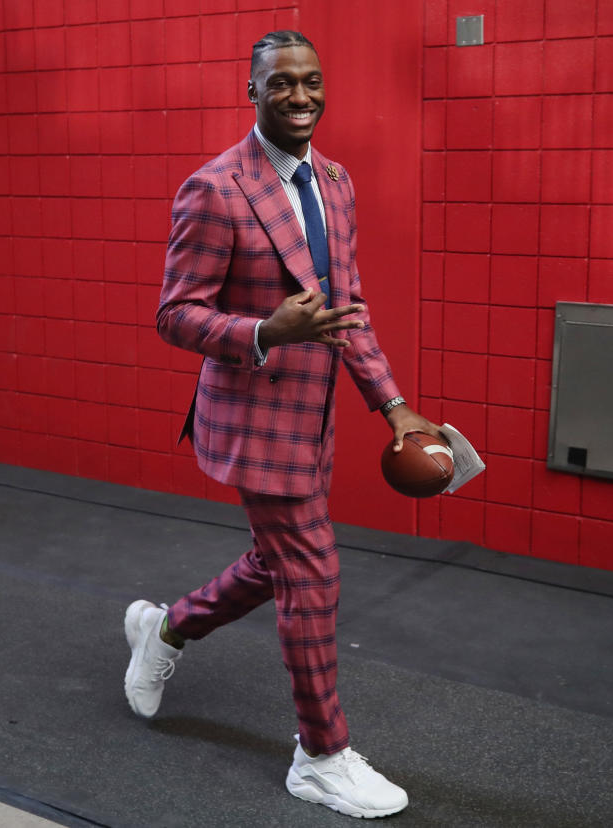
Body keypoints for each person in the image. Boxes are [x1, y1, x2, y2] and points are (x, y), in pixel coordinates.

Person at [124, 30, 438, 819]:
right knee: (314, 574)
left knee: (277, 564)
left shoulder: (335, 182)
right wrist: (265, 332)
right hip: (255, 418)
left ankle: (165, 629)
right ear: (253, 93)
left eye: (311, 81)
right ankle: (321, 756)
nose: (300, 96)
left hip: (316, 415)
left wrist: (391, 404)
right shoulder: (214, 188)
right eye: (281, 84)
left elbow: (347, 309)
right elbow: (175, 316)